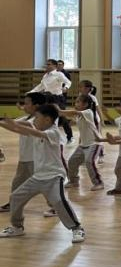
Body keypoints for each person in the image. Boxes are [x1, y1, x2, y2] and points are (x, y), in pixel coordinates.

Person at [0, 104, 85, 243]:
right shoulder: (37, 130)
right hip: (37, 177)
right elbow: (17, 129)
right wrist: (8, 124)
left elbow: (36, 133)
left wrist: (15, 124)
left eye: (37, 118)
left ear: (47, 119)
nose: (34, 121)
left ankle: (77, 228)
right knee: (15, 197)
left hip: (54, 177)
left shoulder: (53, 132)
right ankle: (17, 227)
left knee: (58, 201)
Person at [0, 92, 47, 213]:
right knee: (17, 183)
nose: (24, 106)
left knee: (43, 184)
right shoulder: (25, 118)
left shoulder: (38, 120)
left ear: (36, 106)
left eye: (26, 103)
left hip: (35, 159)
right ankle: (13, 203)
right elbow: (13, 126)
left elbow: (19, 125)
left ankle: (55, 206)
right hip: (24, 158)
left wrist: (7, 122)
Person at [60, 93, 104, 191]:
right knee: (72, 161)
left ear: (85, 104)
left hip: (94, 143)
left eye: (78, 102)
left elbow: (73, 113)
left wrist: (59, 111)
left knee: (89, 162)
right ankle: (74, 181)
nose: (76, 103)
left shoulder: (88, 112)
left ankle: (99, 183)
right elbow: (73, 120)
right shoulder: (79, 115)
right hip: (83, 145)